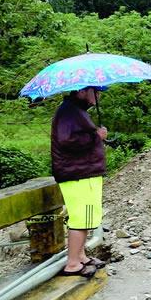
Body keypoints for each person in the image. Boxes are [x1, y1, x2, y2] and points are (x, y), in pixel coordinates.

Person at [51, 86, 109, 276]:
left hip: (82, 172)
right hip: (77, 173)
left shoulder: (76, 111)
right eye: (96, 91)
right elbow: (68, 141)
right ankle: (73, 263)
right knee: (80, 219)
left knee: (85, 218)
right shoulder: (69, 111)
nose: (99, 95)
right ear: (82, 91)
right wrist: (96, 136)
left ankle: (81, 256)